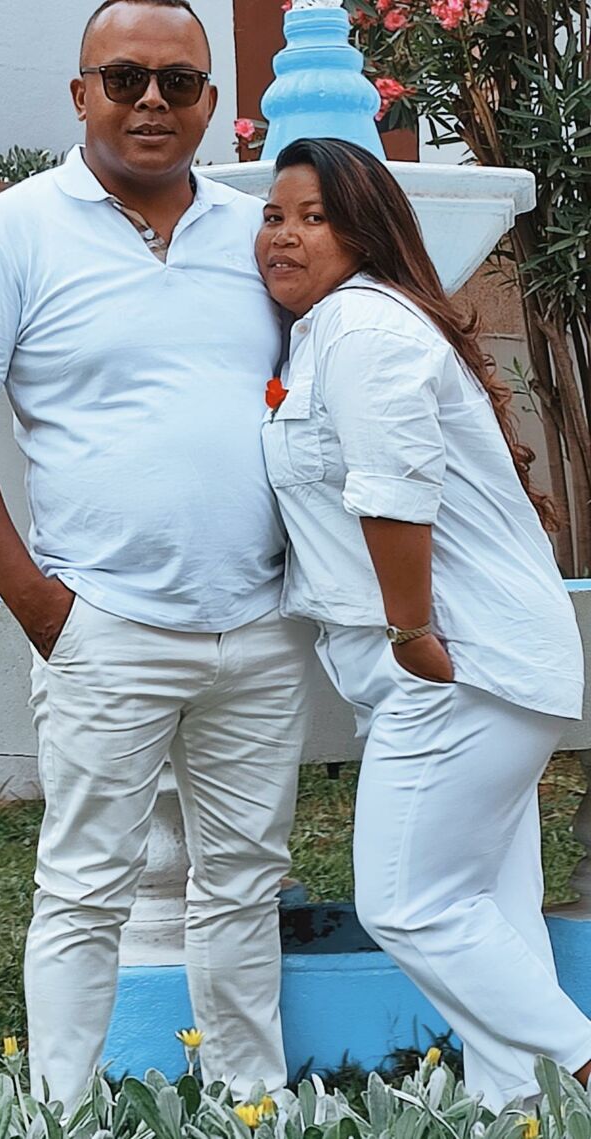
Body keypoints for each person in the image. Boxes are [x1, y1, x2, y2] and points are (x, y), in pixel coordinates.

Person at [0, 0, 314, 1108]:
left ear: (211, 102)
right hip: (103, 623)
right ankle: (61, 1114)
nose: (152, 101)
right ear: (79, 94)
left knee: (245, 885)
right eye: (124, 79)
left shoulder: (256, 232)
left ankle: (250, 1107)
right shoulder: (10, 232)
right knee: (83, 888)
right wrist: (38, 605)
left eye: (178, 82)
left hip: (260, 623)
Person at [256, 136, 591, 1111]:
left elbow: (393, 491)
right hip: (471, 662)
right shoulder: (331, 329)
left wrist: (410, 633)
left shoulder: (364, 328)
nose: (284, 235)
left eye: (314, 217)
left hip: (455, 662)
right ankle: (521, 1110)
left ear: (365, 232)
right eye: (273, 215)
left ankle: (577, 1064)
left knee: (410, 900)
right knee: (489, 906)